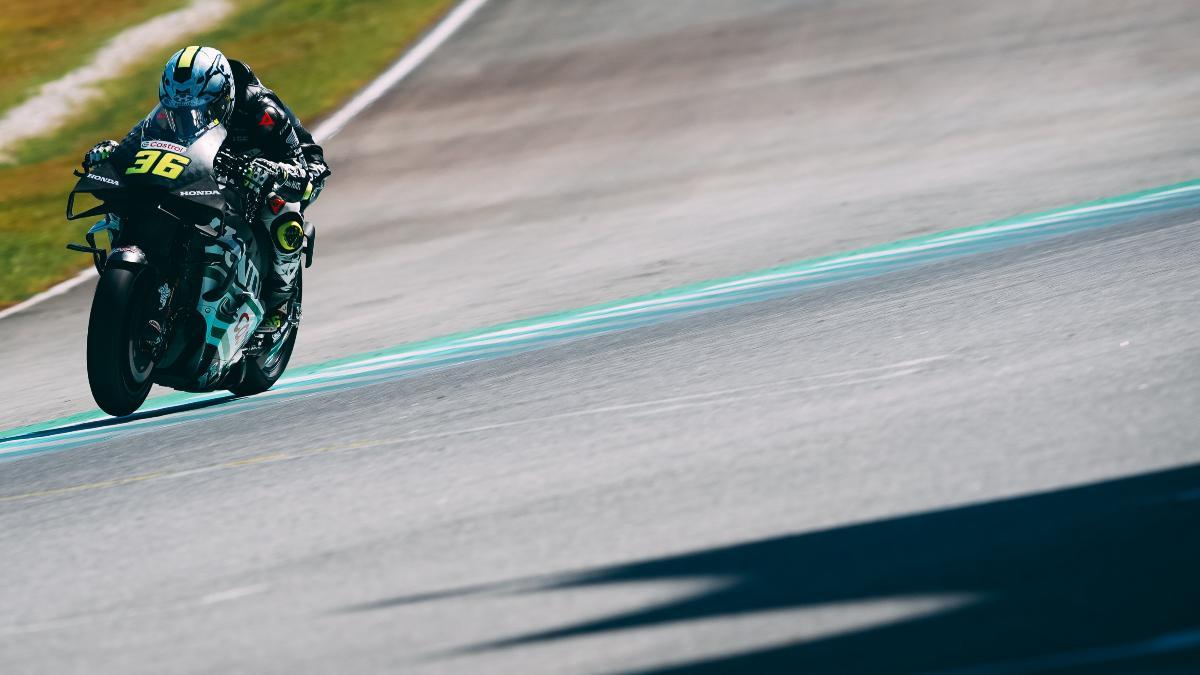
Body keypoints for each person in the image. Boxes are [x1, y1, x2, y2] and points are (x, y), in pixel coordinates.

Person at [82, 45, 330, 330]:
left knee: (282, 211)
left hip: (286, 168)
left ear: (224, 98)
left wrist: (272, 171)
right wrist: (113, 154)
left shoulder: (262, 110)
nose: (187, 115)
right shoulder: (171, 110)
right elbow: (141, 140)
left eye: (199, 109)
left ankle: (280, 301)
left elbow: (302, 168)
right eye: (177, 108)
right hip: (211, 168)